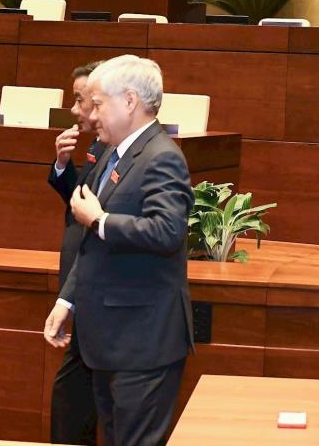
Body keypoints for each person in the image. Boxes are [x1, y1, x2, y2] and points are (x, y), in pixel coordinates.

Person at [43, 55, 194, 446]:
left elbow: (167, 231)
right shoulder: (114, 153)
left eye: (98, 104)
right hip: (110, 341)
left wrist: (100, 220)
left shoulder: (162, 156)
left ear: (129, 101)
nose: (91, 115)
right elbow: (92, 245)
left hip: (142, 343)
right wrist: (67, 301)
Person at [47, 61, 103, 445]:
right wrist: (62, 165)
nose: (74, 109)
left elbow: (94, 218)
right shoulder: (99, 147)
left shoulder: (115, 150)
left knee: (73, 402)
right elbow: (78, 203)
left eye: (80, 99)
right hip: (80, 287)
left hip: (94, 293)